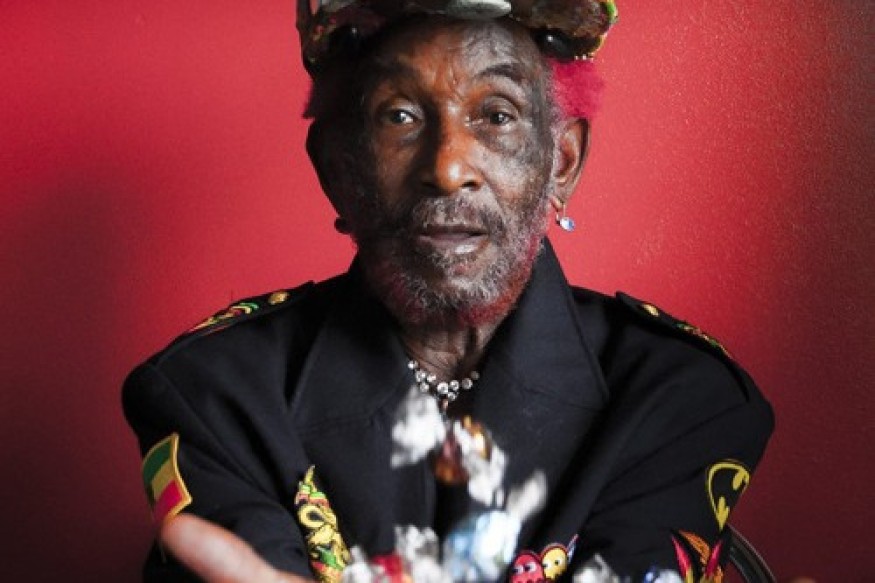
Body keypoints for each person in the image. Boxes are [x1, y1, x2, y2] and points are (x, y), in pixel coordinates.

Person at [123, 2, 773, 581]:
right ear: (338, 169)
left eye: (496, 115)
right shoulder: (212, 394)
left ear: (561, 163)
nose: (448, 166)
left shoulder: (679, 396)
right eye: (400, 115)